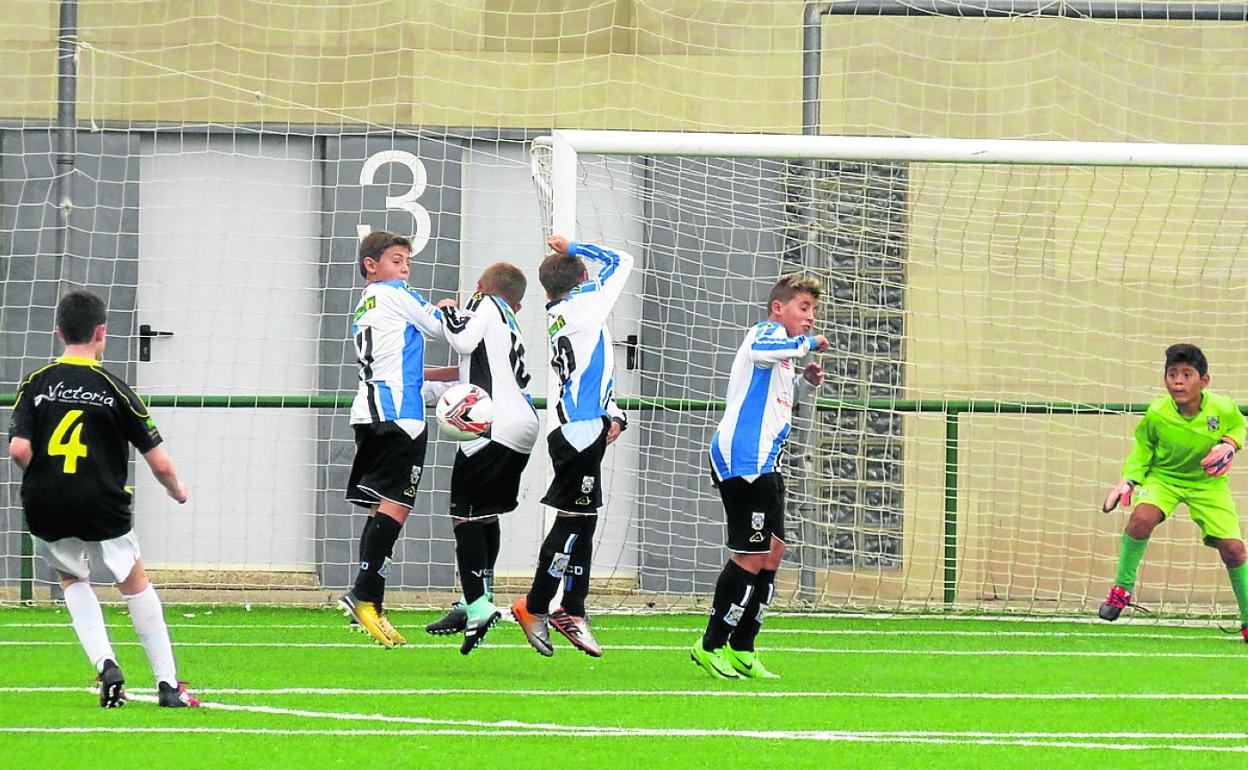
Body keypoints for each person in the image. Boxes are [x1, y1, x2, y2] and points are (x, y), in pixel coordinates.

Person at [7, 289, 198, 707]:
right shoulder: (113, 387)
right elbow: (160, 464)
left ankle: (106, 664)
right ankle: (168, 686)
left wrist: (45, 476)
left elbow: (19, 450)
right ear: (101, 333)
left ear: (59, 332)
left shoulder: (35, 383)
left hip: (46, 501)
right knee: (134, 584)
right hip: (101, 501)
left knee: (73, 579)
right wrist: (177, 491)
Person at [690, 275, 829, 679]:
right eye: (803, 308)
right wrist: (808, 344)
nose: (810, 318)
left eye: (813, 311)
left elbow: (779, 401)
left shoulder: (782, 359)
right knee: (751, 554)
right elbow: (763, 349)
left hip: (767, 461)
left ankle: (743, 648)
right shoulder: (766, 334)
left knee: (774, 550)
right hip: (745, 459)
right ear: (778, 308)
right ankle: (710, 644)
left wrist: (805, 383)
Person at [510, 235, 631, 658]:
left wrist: (612, 415)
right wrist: (573, 244)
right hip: (578, 433)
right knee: (573, 522)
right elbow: (622, 259)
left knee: (583, 522)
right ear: (582, 277)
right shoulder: (584, 305)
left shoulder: (566, 311)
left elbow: (592, 372)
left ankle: (572, 608)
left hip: (582, 427)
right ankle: (538, 605)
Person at [339, 230, 450, 648]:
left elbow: (403, 370)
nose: (405, 268)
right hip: (398, 417)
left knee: (381, 507)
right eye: (397, 259)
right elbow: (445, 331)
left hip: (370, 410)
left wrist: (454, 379)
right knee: (397, 507)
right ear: (372, 265)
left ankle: (369, 603)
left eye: (406, 262)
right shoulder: (395, 294)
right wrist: (451, 310)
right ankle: (364, 594)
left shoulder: (368, 303)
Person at [422, 263, 540, 655]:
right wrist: (415, 380)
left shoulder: (484, 302)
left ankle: (477, 605)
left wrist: (445, 309)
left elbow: (463, 339)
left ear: (480, 289)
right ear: (518, 305)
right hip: (521, 425)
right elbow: (468, 368)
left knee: (465, 514)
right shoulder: (509, 322)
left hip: (491, 424)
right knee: (484, 514)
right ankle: (477, 598)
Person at [1099, 343, 1248, 640]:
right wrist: (1129, 479)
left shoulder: (1223, 407)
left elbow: (1239, 426)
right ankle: (1121, 589)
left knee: (1234, 550)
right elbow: (1144, 447)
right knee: (1140, 519)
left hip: (1207, 485)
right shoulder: (1157, 412)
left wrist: (1230, 444)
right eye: (1172, 374)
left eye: (1187, 374)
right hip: (1164, 478)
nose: (1178, 381)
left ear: (1204, 381)